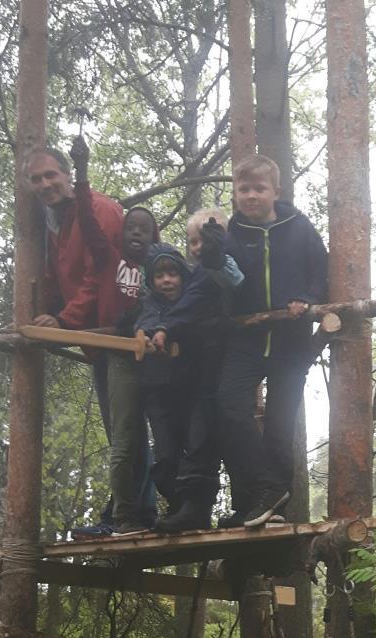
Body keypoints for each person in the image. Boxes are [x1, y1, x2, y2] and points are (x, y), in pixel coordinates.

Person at [217, 153, 328, 528]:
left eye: (258, 188)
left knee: (281, 420)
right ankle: (258, 489)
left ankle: (275, 491)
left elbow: (320, 267)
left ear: (275, 191)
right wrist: (215, 260)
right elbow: (230, 283)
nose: (250, 196)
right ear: (235, 193)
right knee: (230, 405)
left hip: (289, 340)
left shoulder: (298, 226)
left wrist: (308, 298)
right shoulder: (234, 234)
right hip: (248, 337)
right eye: (243, 189)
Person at [69, 136, 159, 536]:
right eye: (131, 228)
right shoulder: (110, 258)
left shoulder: (160, 269)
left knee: (131, 438)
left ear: (154, 238)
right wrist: (82, 172)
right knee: (122, 436)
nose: (137, 234)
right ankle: (133, 513)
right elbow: (88, 222)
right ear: (121, 235)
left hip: (145, 358)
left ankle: (128, 517)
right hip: (109, 354)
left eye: (145, 230)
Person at [136, 241, 243, 532]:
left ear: (184, 276)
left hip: (195, 387)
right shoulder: (149, 306)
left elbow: (190, 316)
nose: (167, 280)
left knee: (199, 448)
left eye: (173, 273)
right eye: (159, 275)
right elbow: (147, 321)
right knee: (166, 454)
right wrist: (146, 332)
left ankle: (196, 509)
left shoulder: (196, 303)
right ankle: (177, 507)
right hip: (159, 391)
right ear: (151, 280)